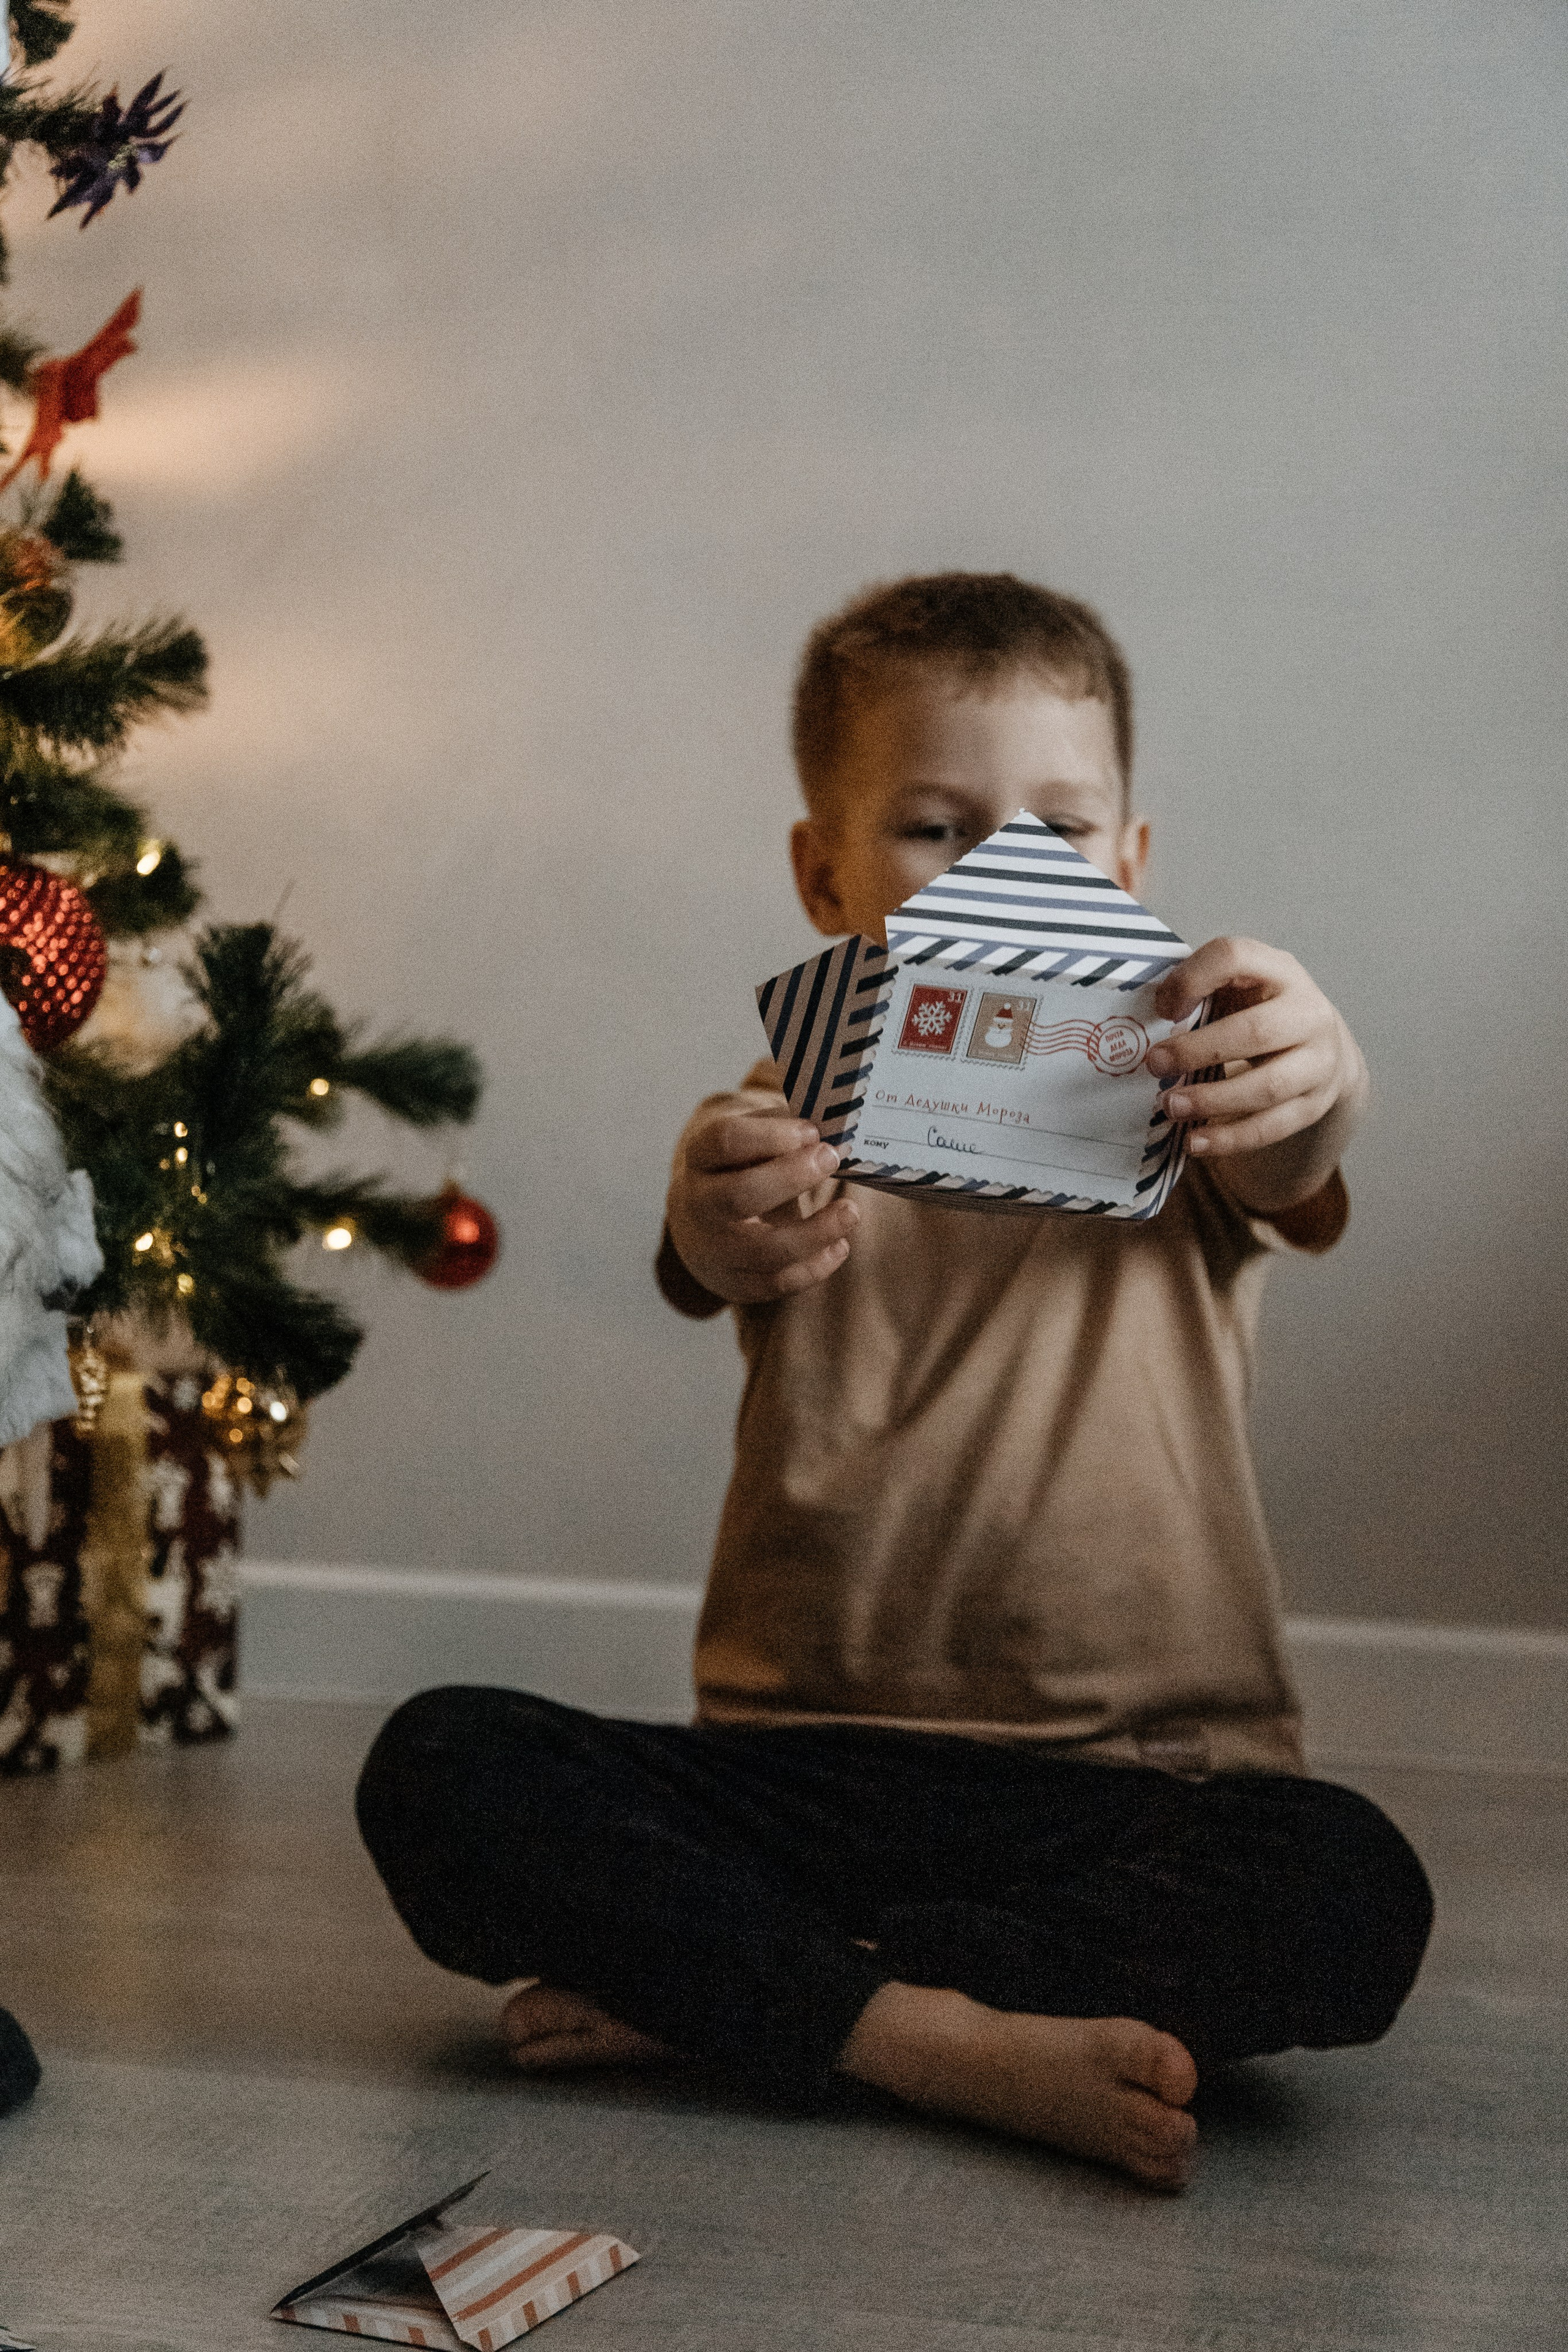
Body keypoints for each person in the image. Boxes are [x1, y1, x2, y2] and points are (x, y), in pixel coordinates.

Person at [357, 573, 1432, 2190]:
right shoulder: (780, 1113)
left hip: (1138, 1781)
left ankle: (768, 1994)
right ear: (824, 870)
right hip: (800, 1767)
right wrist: (710, 1208)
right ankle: (935, 2033)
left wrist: (1319, 1064)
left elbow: (1300, 1145)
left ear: (1134, 864)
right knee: (442, 1764)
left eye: (1062, 835)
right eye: (938, 830)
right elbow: (713, 1248)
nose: (1006, 876)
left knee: (1351, 1884)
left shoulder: (1200, 1101)